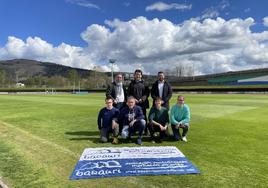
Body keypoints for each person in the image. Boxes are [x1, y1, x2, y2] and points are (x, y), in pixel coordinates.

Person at [127, 69, 150, 134]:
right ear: (134, 75)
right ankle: (133, 129)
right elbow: (129, 93)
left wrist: (142, 99)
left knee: (143, 116)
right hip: (134, 104)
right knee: (134, 116)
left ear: (141, 75)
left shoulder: (145, 83)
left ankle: (145, 130)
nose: (138, 76)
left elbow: (147, 93)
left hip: (143, 103)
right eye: (136, 74)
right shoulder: (131, 84)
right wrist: (133, 99)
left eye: (139, 74)